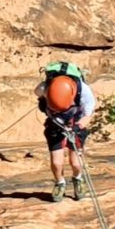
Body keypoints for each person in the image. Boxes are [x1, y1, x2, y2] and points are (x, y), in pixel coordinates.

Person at [36, 61, 97, 203]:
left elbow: (88, 114)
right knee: (57, 163)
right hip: (55, 124)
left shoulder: (84, 91)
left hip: (76, 124)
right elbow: (37, 93)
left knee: (75, 162)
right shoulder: (45, 87)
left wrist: (78, 126)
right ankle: (60, 183)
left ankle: (78, 179)